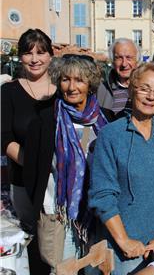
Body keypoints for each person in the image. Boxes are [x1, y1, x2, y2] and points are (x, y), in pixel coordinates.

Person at [89, 63, 154, 274]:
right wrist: (124, 241)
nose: (150, 96)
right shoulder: (111, 135)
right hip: (120, 249)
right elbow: (102, 193)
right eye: (144, 88)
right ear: (132, 90)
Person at [23, 55, 107, 271]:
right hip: (58, 215)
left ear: (90, 84)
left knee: (94, 268)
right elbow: (32, 172)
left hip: (95, 214)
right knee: (61, 269)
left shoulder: (104, 121)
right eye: (65, 79)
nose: (71, 87)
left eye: (79, 80)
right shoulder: (44, 121)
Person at [1, 28, 57, 274]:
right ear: (20, 57)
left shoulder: (63, 90)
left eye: (41, 52)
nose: (35, 59)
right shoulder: (9, 92)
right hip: (24, 181)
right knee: (33, 238)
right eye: (28, 53)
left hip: (60, 181)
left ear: (50, 56)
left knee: (58, 237)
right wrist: (34, 165)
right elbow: (4, 138)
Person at [97, 38, 141, 116]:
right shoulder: (100, 89)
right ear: (113, 61)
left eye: (129, 58)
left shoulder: (145, 89)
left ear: (137, 61)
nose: (124, 64)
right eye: (119, 58)